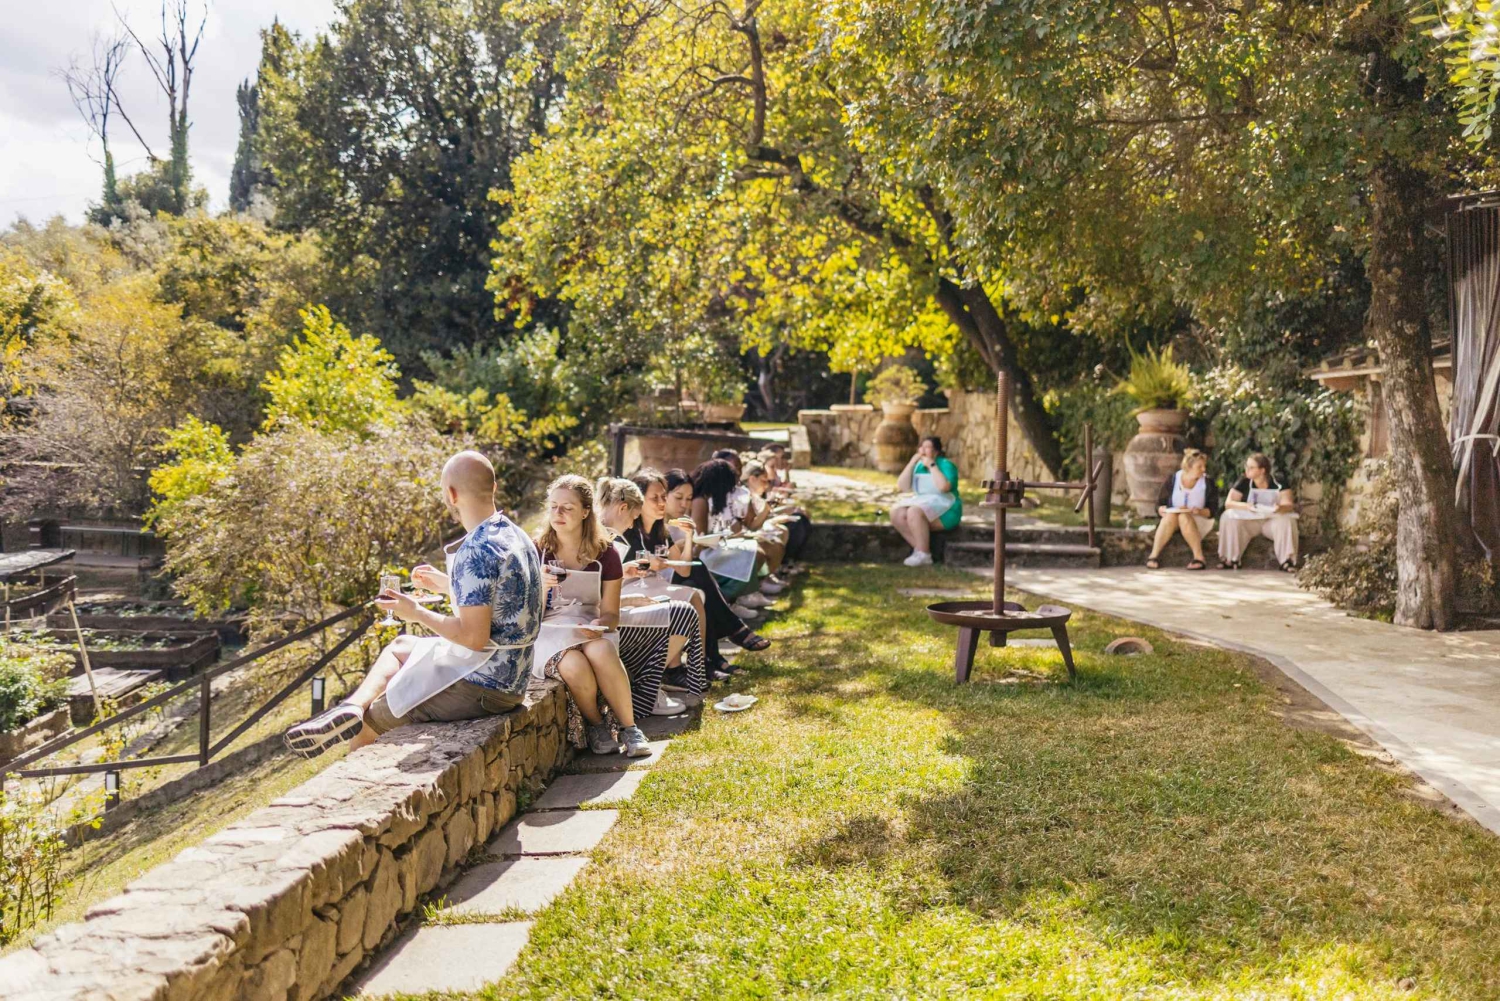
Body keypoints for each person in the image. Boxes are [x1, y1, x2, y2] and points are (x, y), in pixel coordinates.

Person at [283, 451, 542, 758]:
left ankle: (360, 742)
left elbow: (474, 638)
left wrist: (415, 612)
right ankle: (351, 706)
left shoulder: (474, 550)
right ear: (493, 488)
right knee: (402, 644)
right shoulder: (515, 534)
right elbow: (506, 597)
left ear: (451, 494)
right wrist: (448, 585)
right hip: (514, 675)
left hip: (487, 686)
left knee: (371, 721)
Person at [532, 474, 651, 756]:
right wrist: (538, 584)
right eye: (553, 506)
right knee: (573, 666)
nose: (557, 513)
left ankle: (630, 729)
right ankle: (597, 725)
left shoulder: (606, 553)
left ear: (586, 512)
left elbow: (611, 613)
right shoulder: (536, 551)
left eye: (567, 507)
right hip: (548, 631)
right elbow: (522, 612)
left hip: (589, 626)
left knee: (599, 651)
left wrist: (601, 624)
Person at [595, 476, 705, 713]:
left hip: (611, 608)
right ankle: (646, 688)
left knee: (684, 609)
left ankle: (649, 684)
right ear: (623, 508)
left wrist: (623, 571)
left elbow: (599, 580)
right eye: (633, 518)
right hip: (601, 617)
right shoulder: (603, 537)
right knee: (682, 612)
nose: (631, 524)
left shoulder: (613, 537)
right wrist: (628, 597)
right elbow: (590, 589)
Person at [659, 466, 770, 670]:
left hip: (679, 575)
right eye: (678, 497)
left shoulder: (679, 522)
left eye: (688, 498)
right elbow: (669, 561)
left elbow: (686, 561)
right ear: (662, 494)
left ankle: (713, 658)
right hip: (658, 580)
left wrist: (691, 539)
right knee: (698, 575)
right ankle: (732, 632)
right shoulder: (654, 522)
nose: (685, 504)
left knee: (699, 587)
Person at [1218, 453, 1300, 571]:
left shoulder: (1278, 481)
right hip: (1251, 522)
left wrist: (1279, 508)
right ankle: (1231, 559)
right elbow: (1229, 503)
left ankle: (1287, 561)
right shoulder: (1244, 481)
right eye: (1247, 467)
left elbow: (1288, 504)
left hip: (1271, 522)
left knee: (1286, 520)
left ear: (1262, 470)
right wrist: (1247, 506)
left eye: (1251, 467)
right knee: (1228, 516)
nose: (1247, 470)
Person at [890, 436, 962, 567]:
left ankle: (923, 553)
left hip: (947, 508)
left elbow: (943, 487)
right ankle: (921, 551)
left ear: (936, 451)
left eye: (927, 447)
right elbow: (903, 486)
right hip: (924, 503)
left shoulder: (946, 465)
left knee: (914, 512)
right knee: (897, 513)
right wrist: (912, 462)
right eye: (921, 447)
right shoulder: (918, 466)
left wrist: (932, 465)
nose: (923, 450)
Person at [1145, 448, 1219, 571]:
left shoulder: (1208, 482)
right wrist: (1161, 509)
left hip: (1199, 519)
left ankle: (1199, 557)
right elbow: (1160, 504)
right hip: (1174, 519)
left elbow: (1212, 510)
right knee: (1171, 516)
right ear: (1188, 467)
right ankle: (1154, 555)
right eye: (1199, 467)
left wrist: (1198, 511)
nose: (1203, 470)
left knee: (1184, 517)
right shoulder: (1173, 479)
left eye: (1204, 466)